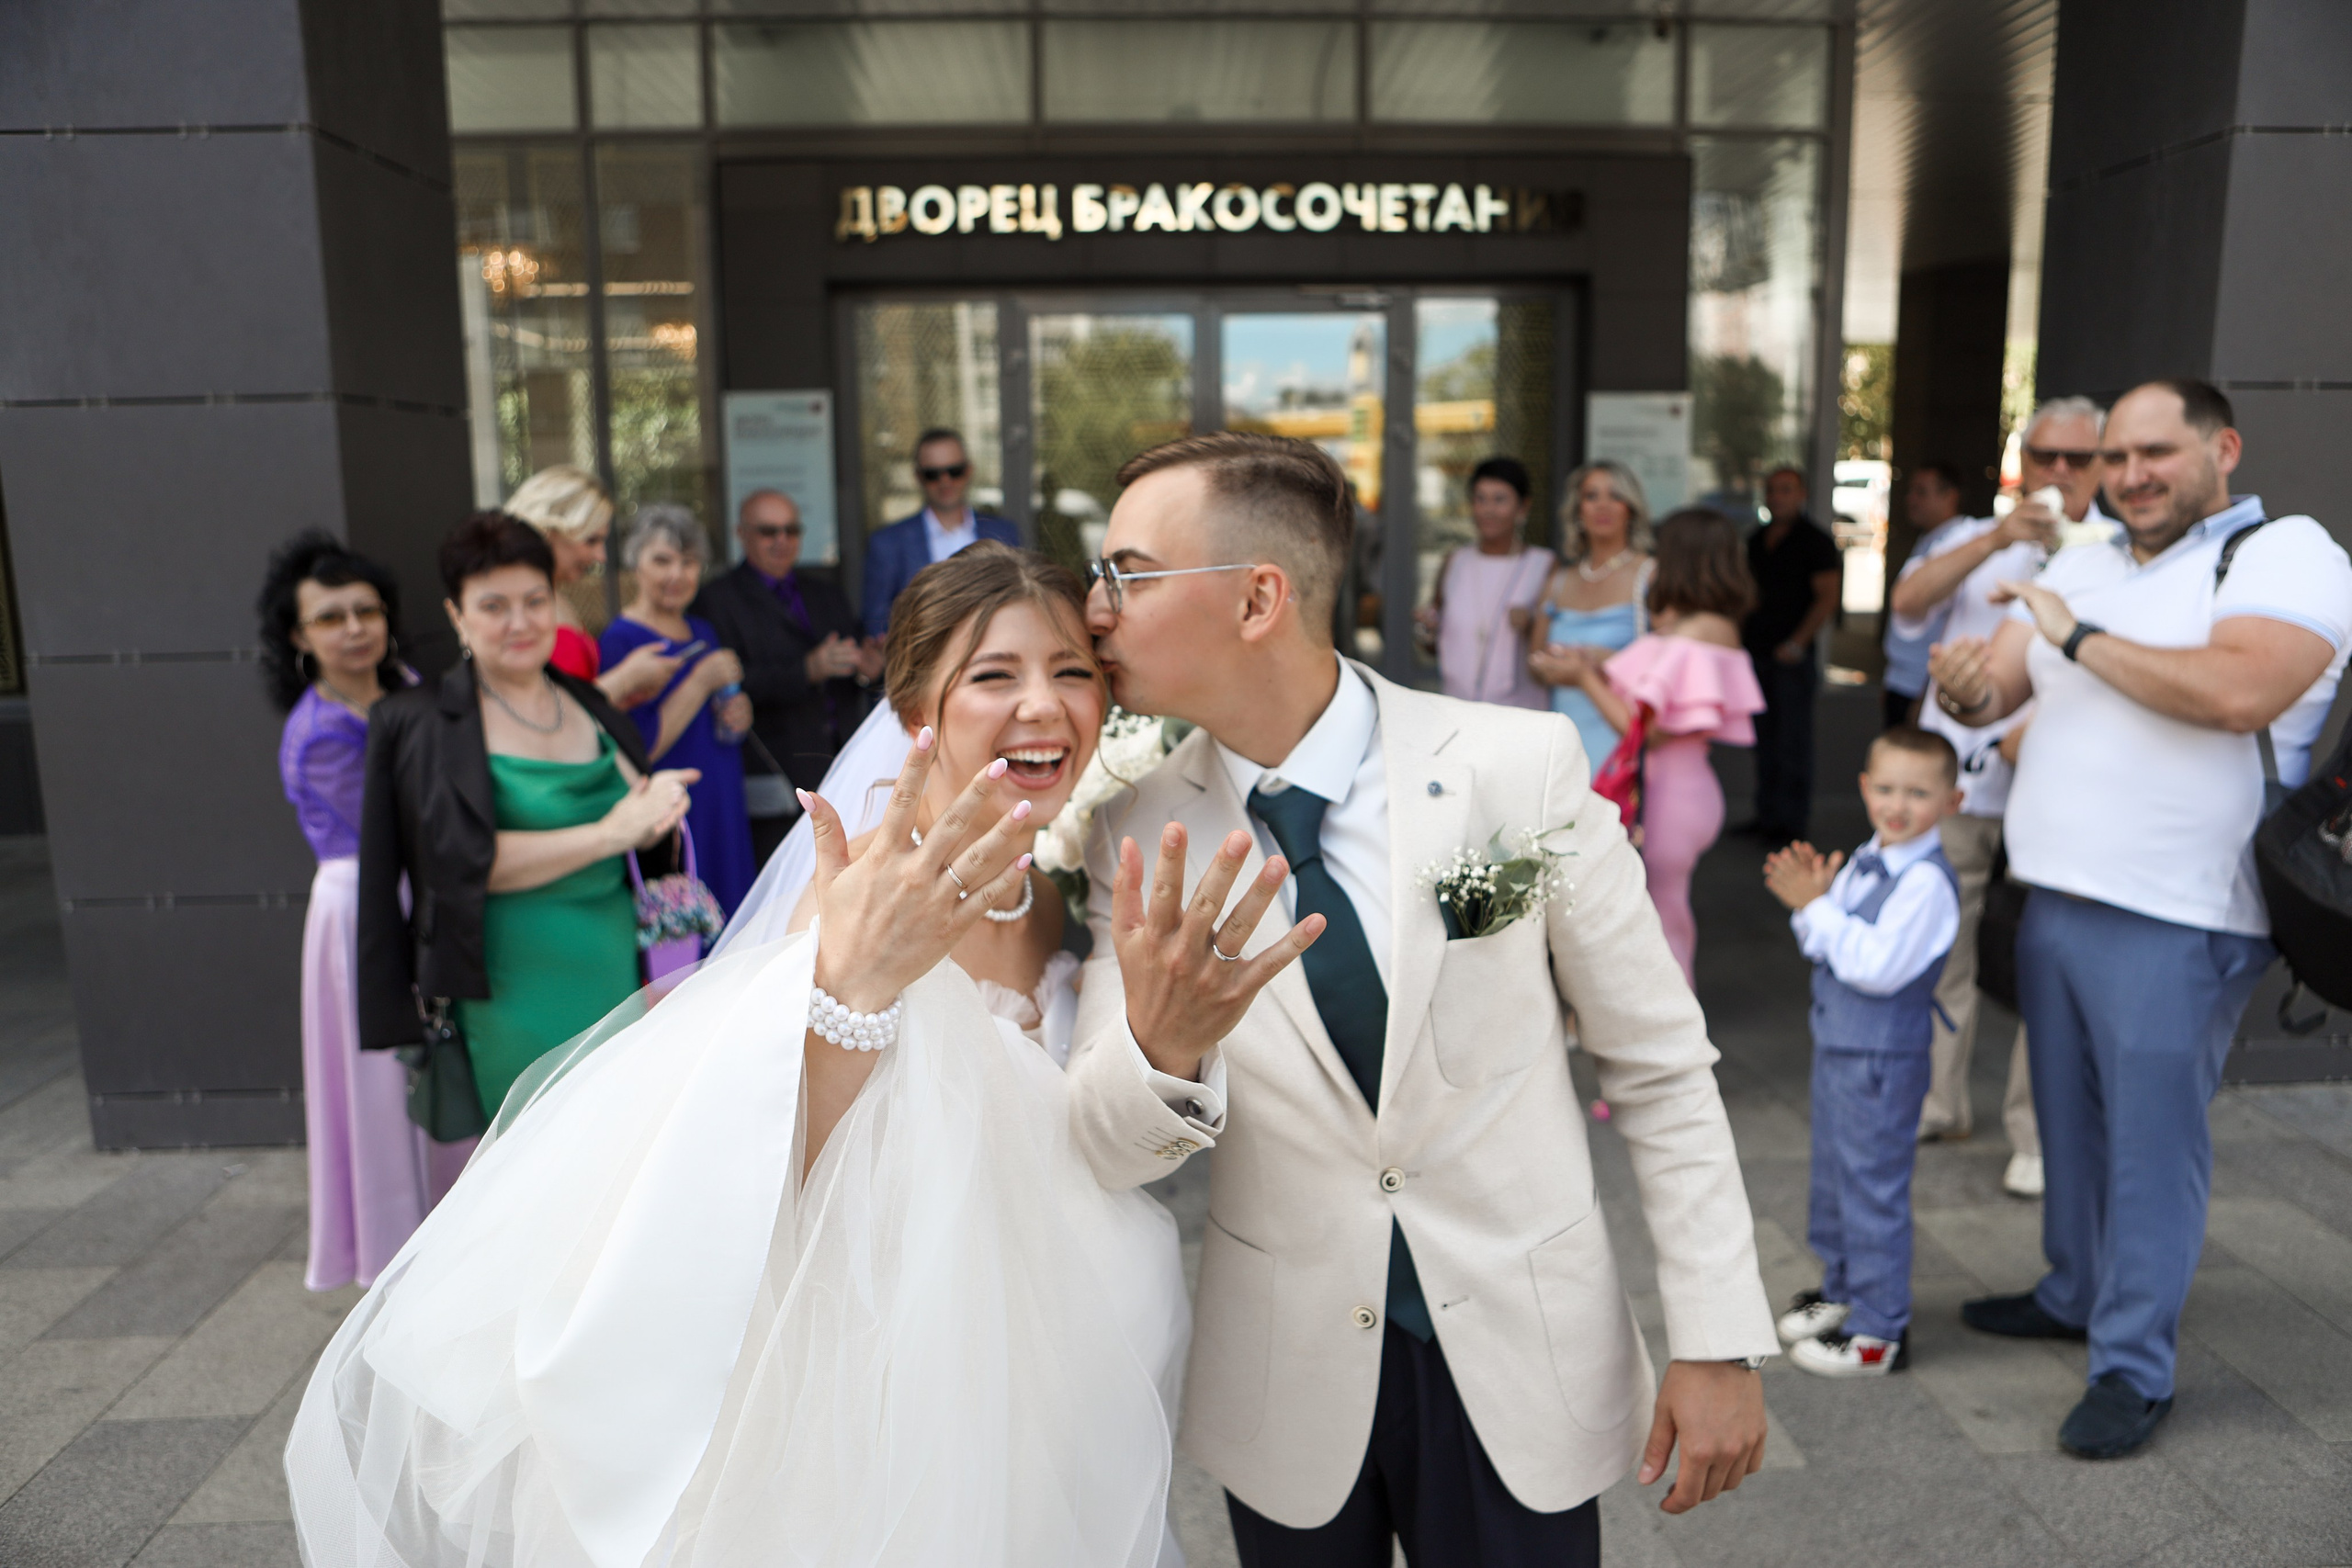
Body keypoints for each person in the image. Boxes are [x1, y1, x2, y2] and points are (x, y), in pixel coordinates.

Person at [292, 544, 1193, 1568]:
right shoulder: (863, 883)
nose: (1043, 704)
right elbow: (781, 1154)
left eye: (1071, 672)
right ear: (916, 714)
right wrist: (853, 988)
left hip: (1024, 1318)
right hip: (877, 1335)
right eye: (995, 675)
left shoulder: (1043, 880)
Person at [1069, 433, 1777, 1568]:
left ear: (1259, 598)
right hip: (1286, 1377)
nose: (1094, 610)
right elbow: (1110, 1147)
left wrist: (1719, 1336)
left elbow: (1655, 1063)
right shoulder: (1133, 828)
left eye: (1127, 574)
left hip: (1520, 1354)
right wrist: (1164, 1042)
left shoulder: (1518, 768)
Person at [1927, 378, 2352, 1459]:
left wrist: (2073, 640)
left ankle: (2131, 1366)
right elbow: (2000, 695)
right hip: (2055, 896)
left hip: (2181, 913)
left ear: (2224, 448)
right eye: (2112, 457)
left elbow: (2237, 694)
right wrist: (1969, 683)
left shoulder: (2283, 553)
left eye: (2155, 452)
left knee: (2149, 1150)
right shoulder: (2088, 558)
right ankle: (2071, 1290)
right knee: (2068, 1128)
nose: (2127, 477)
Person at [357, 512, 698, 1122]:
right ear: (457, 616)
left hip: (620, 964)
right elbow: (453, 864)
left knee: (623, 1146)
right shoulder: (426, 722)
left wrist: (660, 808)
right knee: (537, 1160)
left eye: (535, 600)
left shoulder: (586, 699)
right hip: (511, 978)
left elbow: (636, 824)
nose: (520, 622)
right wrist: (608, 832)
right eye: (493, 605)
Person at [1893, 412, 2112, 1193]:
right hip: (1959, 781)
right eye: (2041, 452)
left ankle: (2035, 1132)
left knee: (2043, 959)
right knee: (1938, 940)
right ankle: (1936, 1099)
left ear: (2103, 462)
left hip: (2058, 788)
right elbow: (1907, 604)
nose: (2058, 467)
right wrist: (1993, 539)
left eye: (2076, 456)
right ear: (2018, 459)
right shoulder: (1971, 533)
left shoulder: (2122, 550)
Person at [260, 533, 469, 1292]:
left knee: (438, 1061)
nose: (353, 628)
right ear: (298, 636)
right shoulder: (317, 733)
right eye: (330, 617)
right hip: (363, 912)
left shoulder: (405, 683)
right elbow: (404, 826)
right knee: (383, 1081)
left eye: (366, 610)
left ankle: (451, 1219)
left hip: (422, 890)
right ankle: (396, 1245)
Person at [1762, 727, 1963, 1378]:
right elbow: (1821, 940)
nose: (1897, 804)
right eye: (1885, 788)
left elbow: (1874, 965)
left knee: (1872, 1184)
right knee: (1834, 1174)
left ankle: (1881, 1329)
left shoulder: (1926, 882)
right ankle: (1843, 1284)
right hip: (1841, 1044)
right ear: (1864, 788)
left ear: (1952, 800)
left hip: (1881, 1057)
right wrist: (1813, 904)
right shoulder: (1869, 856)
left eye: (1917, 792)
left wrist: (1818, 907)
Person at [1549, 508, 1766, 986]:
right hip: (1687, 788)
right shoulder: (1710, 626)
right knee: (1662, 912)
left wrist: (1584, 677)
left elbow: (1649, 729)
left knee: (1662, 920)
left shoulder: (1691, 635)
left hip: (1668, 794)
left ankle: (1674, 1036)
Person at [693, 488, 879, 864]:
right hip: (773, 771)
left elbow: (853, 669)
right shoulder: (717, 599)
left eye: (791, 531)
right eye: (768, 531)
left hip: (841, 766)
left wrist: (870, 669)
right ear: (741, 533)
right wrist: (806, 669)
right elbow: (729, 685)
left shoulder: (825, 593)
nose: (782, 541)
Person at [600, 505, 760, 917]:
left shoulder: (701, 630)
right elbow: (640, 748)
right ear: (635, 563)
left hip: (722, 802)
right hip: (676, 817)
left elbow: (713, 716)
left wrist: (738, 713)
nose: (677, 574)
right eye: (662, 560)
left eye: (688, 562)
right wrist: (700, 681)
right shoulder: (619, 642)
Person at [503, 465, 678, 711]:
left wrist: (623, 696)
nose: (601, 556)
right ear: (549, 533)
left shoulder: (554, 595)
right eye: (591, 540)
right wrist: (626, 679)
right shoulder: (512, 603)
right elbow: (537, 712)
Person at [1530, 460, 1656, 768]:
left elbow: (1669, 667)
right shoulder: (1558, 581)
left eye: (1615, 496)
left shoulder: (1650, 575)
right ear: (1577, 510)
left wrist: (1599, 660)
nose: (1603, 506)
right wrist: (1551, 664)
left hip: (1619, 741)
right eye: (1591, 496)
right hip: (1563, 742)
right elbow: (1533, 662)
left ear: (1631, 509)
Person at [1743, 467, 1844, 847]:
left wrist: (1798, 643)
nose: (1778, 497)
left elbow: (1827, 598)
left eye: (1785, 490)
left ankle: (1793, 824)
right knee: (1764, 740)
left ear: (1801, 494)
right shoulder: (1756, 540)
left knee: (1792, 743)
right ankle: (1766, 816)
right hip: (1758, 653)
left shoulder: (1815, 542)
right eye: (1771, 490)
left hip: (1792, 659)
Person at [1416, 457, 1555, 707]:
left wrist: (1531, 625)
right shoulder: (1455, 562)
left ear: (1523, 507)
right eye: (1480, 499)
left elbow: (1557, 644)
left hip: (1520, 713)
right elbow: (1435, 644)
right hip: (1458, 708)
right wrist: (1426, 629)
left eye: (1500, 500)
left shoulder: (1543, 565)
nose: (1488, 510)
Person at [862, 428, 1021, 636]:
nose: (945, 481)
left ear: (969, 470)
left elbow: (1019, 604)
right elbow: (876, 623)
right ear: (918, 477)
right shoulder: (887, 543)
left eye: (954, 471)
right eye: (933, 474)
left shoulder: (1004, 533)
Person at [1878, 471, 1963, 730]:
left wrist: (1926, 691)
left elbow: (1950, 622)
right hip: (1904, 680)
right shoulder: (1931, 538)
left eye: (1922, 492)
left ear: (1950, 497)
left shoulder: (1958, 543)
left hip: (1921, 684)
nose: (1911, 499)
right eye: (1911, 491)